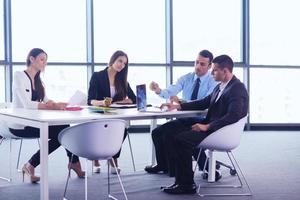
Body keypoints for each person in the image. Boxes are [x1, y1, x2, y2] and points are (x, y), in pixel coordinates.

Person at [160, 55, 249, 194]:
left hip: (220, 132)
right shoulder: (221, 86)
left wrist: (208, 126)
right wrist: (177, 107)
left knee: (180, 140)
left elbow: (234, 115)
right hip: (212, 126)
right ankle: (180, 181)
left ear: (225, 71)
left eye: (214, 70)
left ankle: (186, 185)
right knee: (170, 131)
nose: (211, 73)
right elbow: (203, 102)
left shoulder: (237, 88)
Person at [8, 48, 85, 183]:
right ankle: (33, 164)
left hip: (34, 122)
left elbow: (46, 100)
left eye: (46, 61)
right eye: (42, 59)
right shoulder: (19, 75)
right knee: (63, 132)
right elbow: (27, 104)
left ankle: (32, 165)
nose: (45, 63)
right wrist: (53, 106)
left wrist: (60, 104)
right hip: (20, 124)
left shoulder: (39, 81)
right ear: (32, 59)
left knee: (64, 130)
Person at [145, 50, 218, 177]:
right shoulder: (187, 77)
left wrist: (181, 102)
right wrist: (158, 90)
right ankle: (163, 165)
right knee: (157, 133)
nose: (198, 66)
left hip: (202, 119)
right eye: (196, 62)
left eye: (202, 64)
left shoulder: (213, 81)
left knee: (171, 134)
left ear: (210, 66)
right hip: (184, 118)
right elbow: (171, 90)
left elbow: (205, 102)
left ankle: (202, 168)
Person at [87, 50, 136, 174]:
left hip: (115, 115)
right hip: (98, 113)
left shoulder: (122, 80)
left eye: (124, 63)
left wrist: (124, 102)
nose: (121, 65)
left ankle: (112, 158)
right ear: (113, 59)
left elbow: (134, 98)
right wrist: (101, 103)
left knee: (122, 130)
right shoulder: (97, 76)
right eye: (120, 61)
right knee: (100, 131)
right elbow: (90, 100)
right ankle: (95, 158)